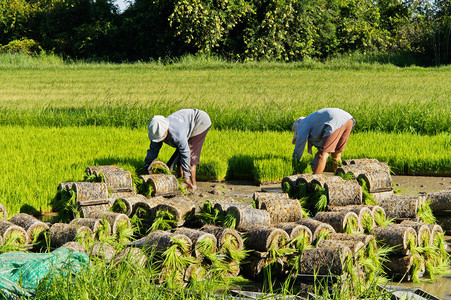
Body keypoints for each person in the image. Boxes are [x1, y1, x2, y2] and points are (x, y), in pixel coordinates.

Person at [144, 109, 211, 191]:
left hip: (199, 121)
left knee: (191, 158)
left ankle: (192, 186)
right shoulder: (155, 132)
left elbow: (186, 153)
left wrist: (186, 176)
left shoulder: (177, 134)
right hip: (185, 123)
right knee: (179, 160)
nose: (160, 140)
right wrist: (147, 167)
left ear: (166, 131)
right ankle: (180, 183)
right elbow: (153, 151)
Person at [292, 108, 355, 174]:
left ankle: (315, 181)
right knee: (336, 154)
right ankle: (339, 177)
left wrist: (295, 161)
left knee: (322, 155)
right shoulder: (314, 121)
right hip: (348, 120)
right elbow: (323, 143)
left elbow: (300, 143)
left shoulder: (302, 124)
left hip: (335, 120)